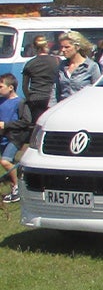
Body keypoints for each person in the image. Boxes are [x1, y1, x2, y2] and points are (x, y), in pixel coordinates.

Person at [0, 72, 31, 204]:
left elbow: (26, 121)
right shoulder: (1, 101)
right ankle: (16, 187)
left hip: (14, 137)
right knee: (10, 164)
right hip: (2, 138)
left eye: (1, 86)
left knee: (5, 162)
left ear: (11, 87)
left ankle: (17, 189)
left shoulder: (20, 102)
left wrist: (6, 125)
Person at [55, 31, 102, 102]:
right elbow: (55, 90)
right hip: (64, 107)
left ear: (77, 47)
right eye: (62, 47)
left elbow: (97, 91)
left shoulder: (91, 66)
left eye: (67, 47)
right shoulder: (62, 66)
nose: (63, 50)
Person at [21, 35, 59, 124]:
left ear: (34, 47)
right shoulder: (56, 61)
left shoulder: (30, 64)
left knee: (37, 124)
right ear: (47, 46)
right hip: (51, 97)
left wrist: (29, 98)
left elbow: (24, 86)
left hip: (36, 98)